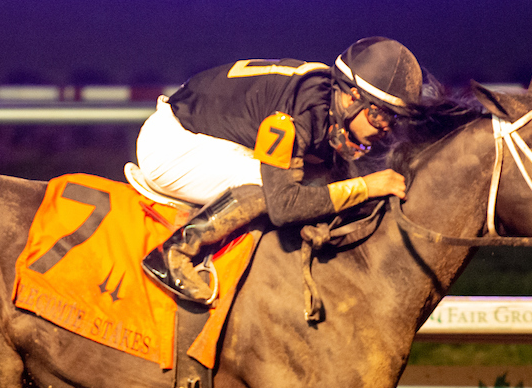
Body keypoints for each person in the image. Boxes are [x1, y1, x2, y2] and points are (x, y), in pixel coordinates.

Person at [138, 37, 424, 304]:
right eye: (380, 114)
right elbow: (284, 206)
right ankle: (173, 254)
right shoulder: (299, 112)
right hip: (172, 144)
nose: (386, 127)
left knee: (316, 184)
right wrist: (367, 186)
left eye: (394, 118)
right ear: (352, 97)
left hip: (206, 138)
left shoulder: (326, 104)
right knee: (273, 189)